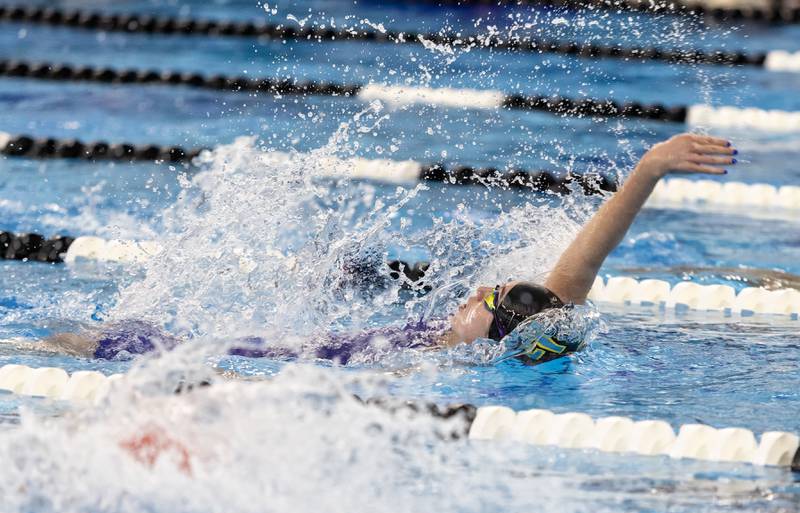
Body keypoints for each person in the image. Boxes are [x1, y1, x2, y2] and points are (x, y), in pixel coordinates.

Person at [43, 133, 736, 366]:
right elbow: (581, 267)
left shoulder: (424, 365)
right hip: (272, 349)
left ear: (492, 331)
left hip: (262, 358)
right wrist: (648, 167)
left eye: (487, 299)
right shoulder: (515, 331)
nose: (473, 292)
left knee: (111, 339)